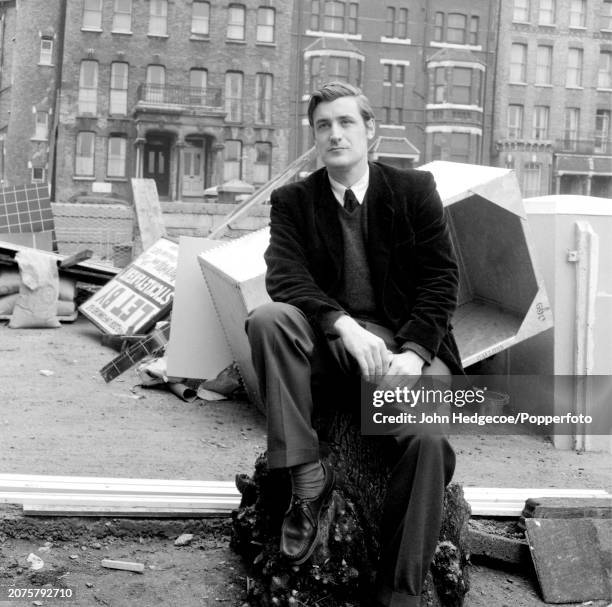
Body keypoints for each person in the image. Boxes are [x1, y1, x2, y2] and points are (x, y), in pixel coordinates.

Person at [245, 81, 463, 607]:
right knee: (269, 318)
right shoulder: (294, 200)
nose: (335, 134)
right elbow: (286, 277)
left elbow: (442, 279)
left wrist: (413, 353)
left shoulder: (415, 191)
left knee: (429, 442)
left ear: (370, 130)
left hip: (405, 348)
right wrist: (343, 325)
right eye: (324, 126)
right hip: (331, 342)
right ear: (315, 137)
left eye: (346, 122)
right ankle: (306, 481)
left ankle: (400, 593)